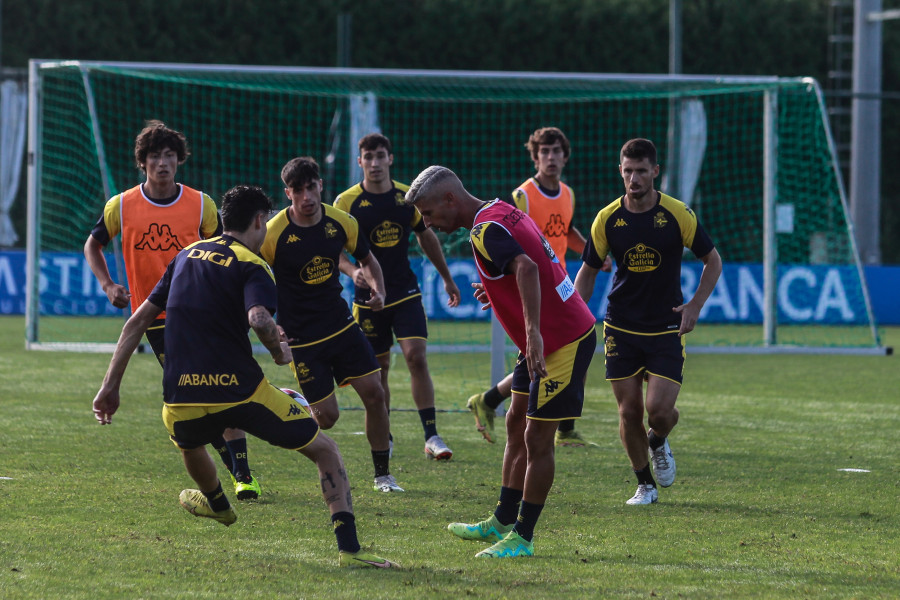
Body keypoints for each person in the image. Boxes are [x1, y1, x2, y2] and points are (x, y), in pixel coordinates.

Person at [91, 185, 397, 568]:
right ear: (258, 221)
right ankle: (350, 551)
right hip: (241, 394)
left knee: (189, 444)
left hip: (179, 399)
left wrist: (109, 387)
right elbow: (258, 318)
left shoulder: (184, 255)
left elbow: (137, 321)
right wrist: (278, 350)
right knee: (327, 452)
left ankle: (218, 503)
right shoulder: (252, 263)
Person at [405, 166, 597, 559]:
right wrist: (497, 289)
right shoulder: (499, 210)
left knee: (537, 439)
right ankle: (502, 521)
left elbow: (525, 267)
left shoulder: (484, 231)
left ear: (449, 200)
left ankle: (522, 538)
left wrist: (532, 333)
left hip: (562, 340)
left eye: (428, 214)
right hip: (545, 339)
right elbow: (531, 262)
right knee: (514, 422)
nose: (428, 224)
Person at [84, 120, 261, 500]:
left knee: (216, 388)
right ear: (142, 162)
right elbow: (93, 245)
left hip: (207, 310)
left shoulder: (201, 203)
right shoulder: (122, 205)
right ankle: (241, 470)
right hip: (158, 318)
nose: (162, 163)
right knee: (203, 394)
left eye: (169, 156)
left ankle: (242, 474)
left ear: (179, 160)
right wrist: (108, 284)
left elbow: (227, 249)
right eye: (154, 156)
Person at [574, 138, 722, 505]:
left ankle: (657, 440)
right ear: (620, 171)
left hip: (666, 326)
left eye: (641, 171)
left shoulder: (677, 214)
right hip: (620, 326)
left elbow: (712, 260)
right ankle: (645, 485)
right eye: (628, 171)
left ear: (655, 171)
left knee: (659, 412)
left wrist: (695, 306)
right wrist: (575, 314)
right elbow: (588, 271)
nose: (634, 178)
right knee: (629, 411)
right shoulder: (607, 219)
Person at [261, 157, 403, 493]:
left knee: (375, 393)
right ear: (288, 193)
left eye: (311, 187)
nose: (306, 196)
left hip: (341, 326)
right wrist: (271, 320)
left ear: (320, 185)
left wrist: (379, 290)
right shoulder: (272, 234)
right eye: (298, 190)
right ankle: (297, 402)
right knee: (327, 418)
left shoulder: (342, 222)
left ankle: (383, 475)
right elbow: (255, 275)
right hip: (302, 338)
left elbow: (368, 259)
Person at [466, 127, 611, 446]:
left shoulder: (568, 194)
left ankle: (502, 406)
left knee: (566, 352)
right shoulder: (522, 196)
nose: (551, 157)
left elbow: (567, 232)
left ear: (565, 155)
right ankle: (541, 422)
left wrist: (593, 254)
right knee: (544, 356)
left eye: (556, 151)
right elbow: (515, 244)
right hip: (531, 289)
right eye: (544, 152)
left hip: (559, 287)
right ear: (535, 157)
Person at [335, 133, 460, 460]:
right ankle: (384, 435)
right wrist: (352, 272)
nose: (374, 163)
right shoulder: (346, 203)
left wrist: (447, 279)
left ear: (390, 158)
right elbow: (334, 252)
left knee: (416, 357)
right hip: (368, 300)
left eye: (380, 156)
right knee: (379, 371)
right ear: (359, 161)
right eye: (368, 157)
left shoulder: (408, 198)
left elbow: (427, 237)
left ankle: (432, 436)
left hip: (405, 291)